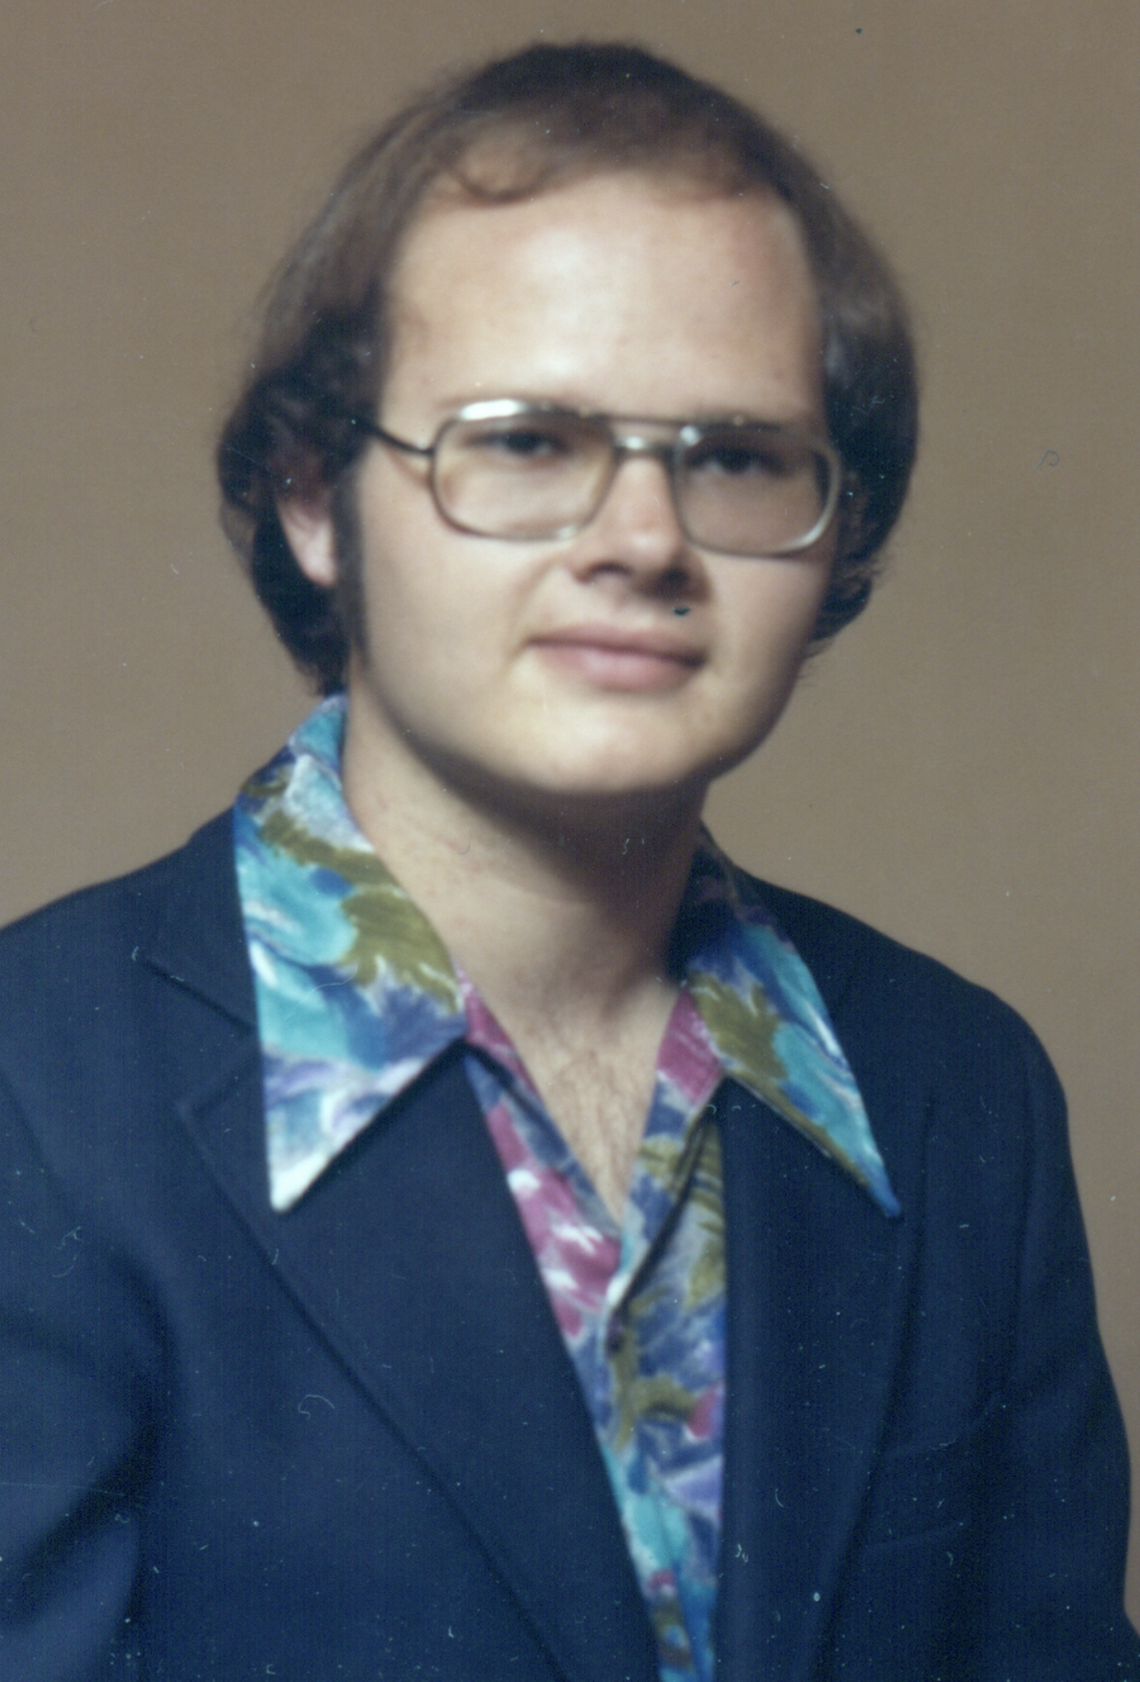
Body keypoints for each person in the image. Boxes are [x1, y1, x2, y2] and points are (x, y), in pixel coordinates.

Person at [1, 40, 1136, 1682]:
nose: (641, 540)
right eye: (527, 441)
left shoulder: (962, 1092)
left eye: (735, 456)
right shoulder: (36, 1084)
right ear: (318, 500)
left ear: (835, 542)